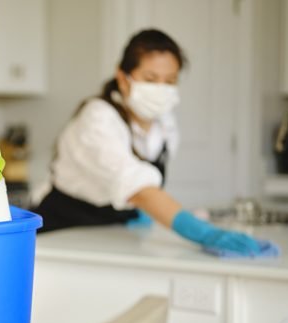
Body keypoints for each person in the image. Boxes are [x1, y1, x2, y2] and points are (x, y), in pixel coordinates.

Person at [32, 28, 268, 256]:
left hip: (113, 235)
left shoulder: (165, 123)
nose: (161, 89)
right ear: (123, 79)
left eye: (170, 81)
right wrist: (204, 233)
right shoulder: (97, 119)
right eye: (151, 78)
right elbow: (138, 188)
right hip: (63, 234)